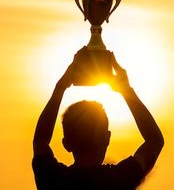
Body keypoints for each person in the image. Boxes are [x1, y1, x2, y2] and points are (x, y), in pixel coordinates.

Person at [32, 49, 164, 190]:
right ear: (107, 138)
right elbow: (154, 141)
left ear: (66, 143)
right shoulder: (120, 180)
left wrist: (60, 88)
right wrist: (126, 90)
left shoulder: (53, 180)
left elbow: (40, 141)